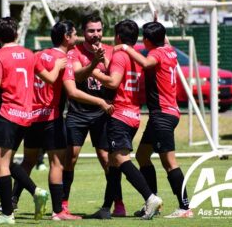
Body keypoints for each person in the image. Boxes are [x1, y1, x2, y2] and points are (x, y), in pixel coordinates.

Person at [11, 20, 114, 221]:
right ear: (67, 37)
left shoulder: (38, 55)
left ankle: (12, 202)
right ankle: (59, 211)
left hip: (32, 117)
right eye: (75, 34)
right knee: (57, 164)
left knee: (28, 161)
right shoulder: (64, 59)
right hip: (51, 118)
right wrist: (101, 102)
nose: (76, 38)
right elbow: (73, 92)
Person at [0, 17, 64, 224]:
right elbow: (51, 79)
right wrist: (59, 65)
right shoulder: (29, 54)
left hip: (7, 114)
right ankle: (36, 191)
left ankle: (7, 214)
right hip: (26, 117)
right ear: (16, 33)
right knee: (6, 162)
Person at [114, 21, 193, 218]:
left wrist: (124, 47)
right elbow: (163, 39)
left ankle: (185, 207)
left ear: (147, 40)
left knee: (169, 162)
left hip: (162, 115)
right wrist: (157, 23)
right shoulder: (169, 49)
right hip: (165, 114)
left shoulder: (155, 54)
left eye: (144, 38)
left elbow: (146, 63)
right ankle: (152, 201)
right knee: (142, 156)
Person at [90, 19, 162, 220]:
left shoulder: (120, 54)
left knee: (121, 160)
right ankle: (106, 208)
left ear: (118, 37)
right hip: (133, 115)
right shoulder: (137, 56)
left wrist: (94, 72)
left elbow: (113, 81)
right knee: (113, 163)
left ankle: (150, 197)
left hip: (119, 115)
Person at [62, 14, 125, 218]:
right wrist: (93, 64)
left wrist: (103, 59)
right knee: (70, 157)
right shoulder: (74, 52)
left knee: (107, 159)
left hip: (103, 112)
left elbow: (114, 76)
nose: (95, 34)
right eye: (91, 30)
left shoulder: (109, 50)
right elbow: (77, 76)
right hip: (78, 112)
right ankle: (63, 204)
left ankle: (118, 203)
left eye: (98, 30)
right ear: (83, 32)